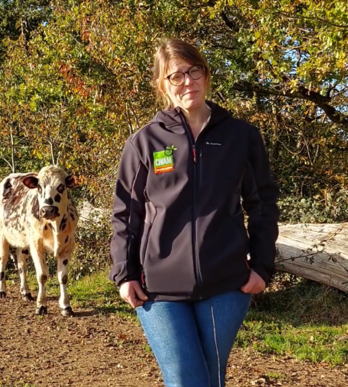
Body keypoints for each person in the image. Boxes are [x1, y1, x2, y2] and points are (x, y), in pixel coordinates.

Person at [109, 38, 279, 387]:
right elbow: (127, 212)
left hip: (226, 285)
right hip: (157, 287)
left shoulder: (241, 136)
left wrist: (262, 266)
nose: (188, 82)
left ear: (206, 74)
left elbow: (262, 203)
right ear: (162, 85)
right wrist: (125, 272)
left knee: (211, 378)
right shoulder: (144, 142)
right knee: (186, 379)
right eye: (176, 76)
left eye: (194, 71)